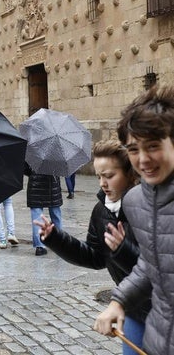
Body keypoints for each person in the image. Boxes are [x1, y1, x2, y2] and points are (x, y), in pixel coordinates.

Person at [37, 140, 148, 354]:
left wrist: (122, 251)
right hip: (133, 310)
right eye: (98, 176)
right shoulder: (101, 211)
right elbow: (95, 257)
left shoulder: (147, 207)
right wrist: (55, 239)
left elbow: (157, 269)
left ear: (130, 174)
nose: (102, 183)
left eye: (109, 176)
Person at [93, 85, 174, 354]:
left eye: (153, 146)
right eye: (133, 149)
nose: (144, 159)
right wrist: (119, 302)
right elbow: (152, 265)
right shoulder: (135, 201)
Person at [25, 164, 63, 256]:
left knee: (37, 217)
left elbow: (25, 168)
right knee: (56, 215)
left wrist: (32, 174)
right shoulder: (57, 152)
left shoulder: (31, 151)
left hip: (35, 186)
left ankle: (39, 247)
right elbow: (62, 169)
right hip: (52, 186)